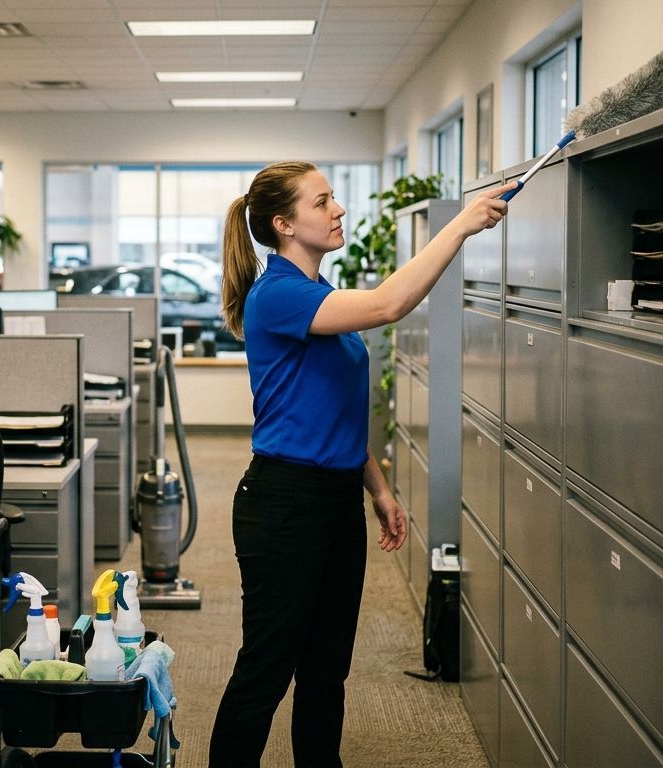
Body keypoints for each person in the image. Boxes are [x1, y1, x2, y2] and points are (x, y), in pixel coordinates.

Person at [208, 161, 514, 768]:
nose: (337, 210)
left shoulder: (319, 294)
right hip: (283, 505)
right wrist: (459, 225)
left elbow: (330, 409)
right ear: (283, 225)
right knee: (266, 671)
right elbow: (389, 305)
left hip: (334, 500)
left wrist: (376, 488)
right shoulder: (280, 295)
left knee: (326, 671)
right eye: (321, 202)